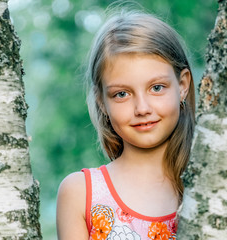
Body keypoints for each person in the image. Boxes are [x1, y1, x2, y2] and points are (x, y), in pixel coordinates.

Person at [56, 10, 195, 240]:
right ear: (102, 101)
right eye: (122, 94)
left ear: (182, 85)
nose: (142, 108)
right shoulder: (81, 194)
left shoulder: (213, 186)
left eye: (157, 88)